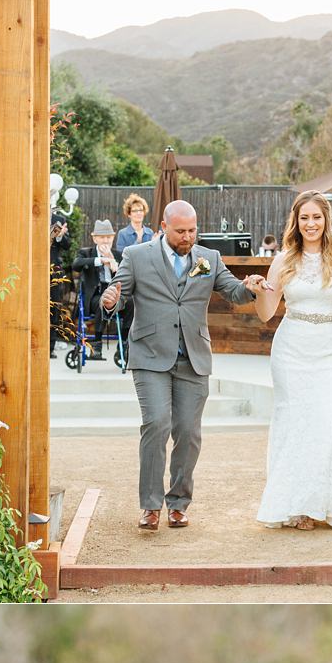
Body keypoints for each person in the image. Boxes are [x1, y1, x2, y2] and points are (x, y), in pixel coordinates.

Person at [99, 199, 258, 532]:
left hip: (193, 358)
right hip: (150, 355)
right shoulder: (137, 256)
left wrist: (248, 288)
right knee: (156, 424)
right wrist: (110, 300)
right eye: (181, 231)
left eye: (192, 230)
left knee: (188, 432)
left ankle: (178, 503)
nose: (188, 237)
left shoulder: (208, 258)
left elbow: (232, 291)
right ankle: (151, 506)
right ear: (163, 228)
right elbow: (120, 292)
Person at [248, 191, 332, 530]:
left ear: (327, 220)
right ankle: (295, 506)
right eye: (304, 218)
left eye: (316, 217)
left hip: (331, 350)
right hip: (291, 350)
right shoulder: (283, 260)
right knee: (294, 423)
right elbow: (266, 315)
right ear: (297, 221)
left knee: (328, 421)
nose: (310, 224)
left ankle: (323, 503)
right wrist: (261, 291)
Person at [112, 194, 155, 352]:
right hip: (130, 279)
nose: (138, 213)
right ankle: (124, 342)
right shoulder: (123, 234)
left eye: (141, 210)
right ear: (129, 213)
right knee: (131, 305)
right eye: (135, 210)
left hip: (148, 279)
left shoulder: (151, 233)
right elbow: (123, 256)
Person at [72, 220, 121, 359]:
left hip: (116, 296)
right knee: (103, 301)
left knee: (132, 303)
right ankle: (97, 342)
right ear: (95, 238)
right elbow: (76, 265)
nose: (105, 240)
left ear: (113, 238)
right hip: (95, 296)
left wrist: (113, 263)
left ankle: (124, 344)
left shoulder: (118, 255)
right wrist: (101, 260)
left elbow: (127, 278)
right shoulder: (86, 253)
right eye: (102, 237)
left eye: (108, 237)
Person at [49, 212, 74, 359]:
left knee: (55, 307)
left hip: (54, 271)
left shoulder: (59, 219)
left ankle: (50, 347)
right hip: (34, 267)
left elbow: (67, 244)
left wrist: (60, 235)